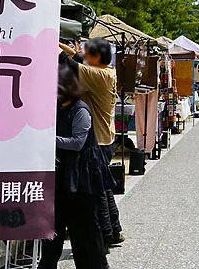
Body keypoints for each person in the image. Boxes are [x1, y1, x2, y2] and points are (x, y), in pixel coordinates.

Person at [41, 56, 109, 269]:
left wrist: (48, 139)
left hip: (83, 181)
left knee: (86, 232)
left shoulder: (80, 110)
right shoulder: (59, 109)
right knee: (52, 231)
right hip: (63, 178)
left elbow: (78, 143)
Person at [60, 39, 124, 249]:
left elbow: (70, 64)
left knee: (96, 191)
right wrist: (58, 42)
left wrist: (47, 42)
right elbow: (76, 57)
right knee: (103, 187)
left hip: (98, 140)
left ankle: (103, 237)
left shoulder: (99, 76)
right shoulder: (107, 71)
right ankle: (115, 231)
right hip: (105, 137)